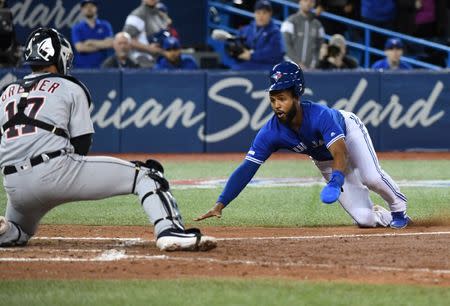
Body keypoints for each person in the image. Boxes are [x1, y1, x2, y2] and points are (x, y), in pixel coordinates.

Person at [0, 27, 217, 252]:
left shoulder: (7, 91)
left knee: (18, 231)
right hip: (55, 170)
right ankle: (169, 230)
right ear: (59, 56)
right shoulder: (70, 86)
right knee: (147, 175)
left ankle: (7, 229)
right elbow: (82, 143)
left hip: (15, 185)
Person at [195, 61, 411, 229]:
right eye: (272, 100)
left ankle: (399, 210)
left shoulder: (321, 116)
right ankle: (383, 215)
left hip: (349, 133)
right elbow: (247, 169)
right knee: (364, 220)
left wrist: (336, 181)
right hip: (324, 159)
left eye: (282, 98)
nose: (276, 105)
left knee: (371, 177)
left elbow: (341, 153)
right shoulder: (271, 132)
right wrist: (220, 204)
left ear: (297, 96)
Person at [230, 0, 285, 70]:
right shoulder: (246, 30)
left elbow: (275, 53)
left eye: (264, 13)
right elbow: (237, 46)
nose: (261, 16)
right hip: (248, 65)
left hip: (268, 68)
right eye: (258, 13)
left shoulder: (275, 31)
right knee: (235, 68)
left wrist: (251, 55)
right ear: (254, 13)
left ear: (270, 14)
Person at [123, 0, 170, 68]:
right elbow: (126, 40)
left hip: (159, 59)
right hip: (141, 61)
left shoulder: (160, 14)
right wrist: (150, 49)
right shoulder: (137, 15)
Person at [281, 0, 325, 69]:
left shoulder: (318, 25)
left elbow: (319, 48)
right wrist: (297, 64)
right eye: (305, 0)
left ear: (314, 3)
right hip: (290, 69)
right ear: (300, 1)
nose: (308, 3)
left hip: (311, 70)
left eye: (311, 1)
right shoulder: (289, 22)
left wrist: (314, 64)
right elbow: (285, 45)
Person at [71, 0, 114, 68]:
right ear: (82, 10)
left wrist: (90, 42)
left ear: (96, 8)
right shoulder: (77, 27)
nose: (89, 8)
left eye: (91, 6)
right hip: (82, 68)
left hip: (103, 67)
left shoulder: (105, 25)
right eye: (86, 7)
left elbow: (110, 43)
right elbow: (80, 48)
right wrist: (102, 45)